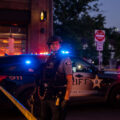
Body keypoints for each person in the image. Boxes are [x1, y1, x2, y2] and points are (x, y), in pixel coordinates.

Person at [39, 36, 73, 120]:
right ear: (49, 46)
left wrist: (66, 98)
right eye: (52, 44)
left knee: (57, 117)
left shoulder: (65, 59)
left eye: (57, 44)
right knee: (44, 117)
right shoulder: (48, 58)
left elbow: (69, 80)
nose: (54, 46)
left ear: (60, 45)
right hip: (47, 94)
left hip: (58, 95)